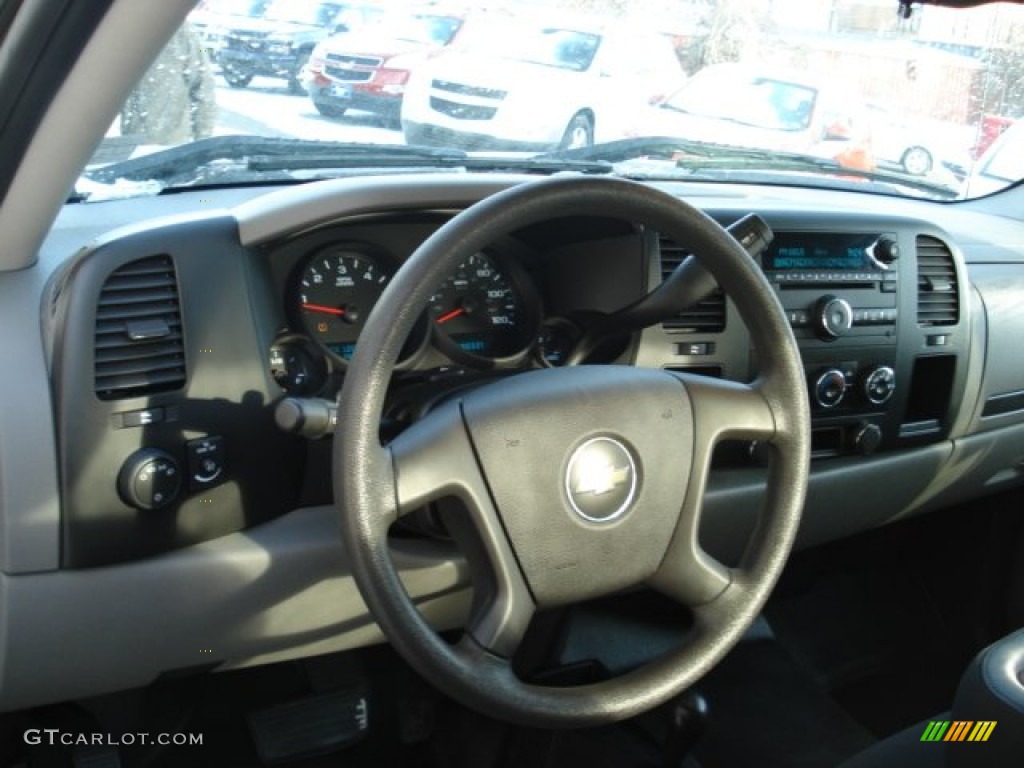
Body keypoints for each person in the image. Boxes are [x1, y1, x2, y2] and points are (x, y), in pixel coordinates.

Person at [120, 24, 216, 145]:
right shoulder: (125, 30)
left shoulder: (183, 33)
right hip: (133, 147)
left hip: (169, 147)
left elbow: (203, 89)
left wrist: (203, 143)